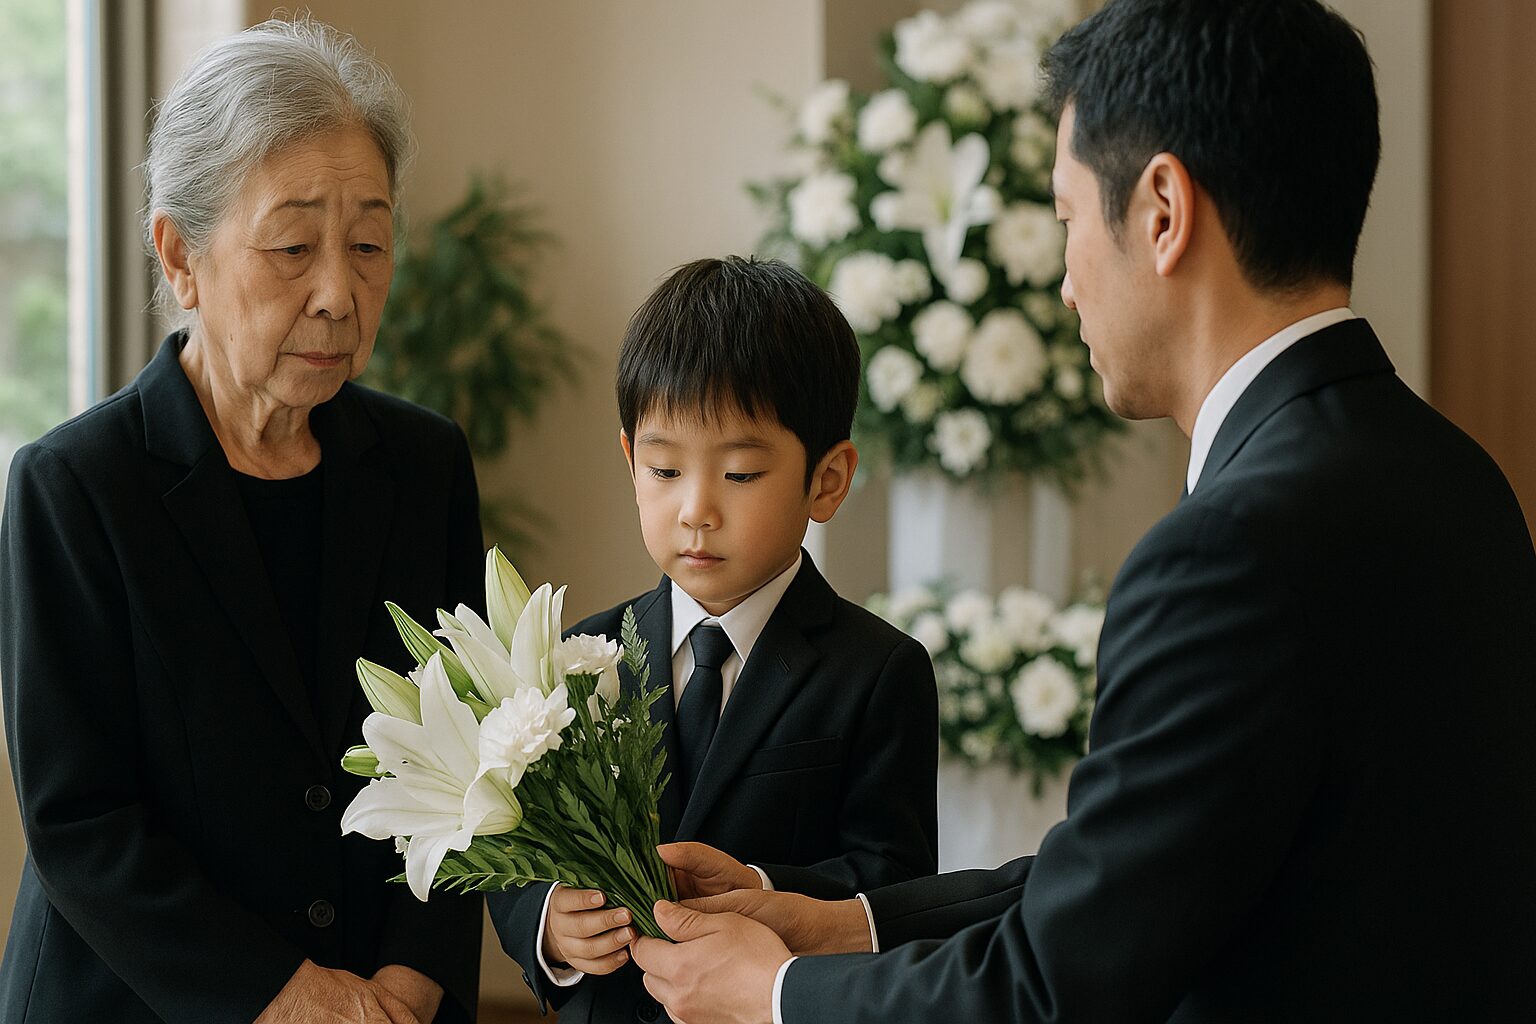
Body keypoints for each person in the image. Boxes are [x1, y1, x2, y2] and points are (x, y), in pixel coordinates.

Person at [630, 2, 1536, 1021]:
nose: (1065, 283)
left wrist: (776, 992)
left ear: (1161, 210)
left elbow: (1052, 990)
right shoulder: (1464, 480)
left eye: (1066, 217)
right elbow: (1148, 876)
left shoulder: (1226, 549)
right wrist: (840, 923)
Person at [0, 19, 484, 1024]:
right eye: (294, 246)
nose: (339, 294)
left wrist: (406, 982)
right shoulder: (74, 487)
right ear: (181, 256)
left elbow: (463, 763)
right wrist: (282, 995)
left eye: (367, 245)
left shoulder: (424, 466)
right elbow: (81, 823)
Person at [487, 256, 939, 1023]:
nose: (696, 509)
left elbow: (891, 887)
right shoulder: (577, 656)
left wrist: (762, 888)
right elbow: (519, 849)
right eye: (665, 469)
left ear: (826, 481)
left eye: (738, 476)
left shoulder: (878, 669)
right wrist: (548, 925)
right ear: (631, 460)